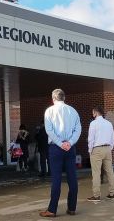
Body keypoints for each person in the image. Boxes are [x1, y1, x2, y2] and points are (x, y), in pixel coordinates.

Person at [39, 89, 81, 217]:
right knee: (72, 178)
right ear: (64, 97)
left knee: (56, 179)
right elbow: (78, 129)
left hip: (56, 148)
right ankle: (72, 208)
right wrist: (70, 142)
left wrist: (60, 143)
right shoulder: (73, 111)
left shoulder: (49, 111)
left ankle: (52, 210)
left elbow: (49, 130)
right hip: (70, 147)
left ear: (53, 98)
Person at [87, 106, 114, 202]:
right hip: (107, 148)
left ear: (95, 112)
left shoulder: (93, 123)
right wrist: (110, 148)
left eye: (93, 112)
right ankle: (112, 193)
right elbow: (112, 138)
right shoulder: (109, 123)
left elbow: (91, 138)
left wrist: (90, 150)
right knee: (110, 171)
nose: (92, 114)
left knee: (96, 172)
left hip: (97, 149)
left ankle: (96, 195)